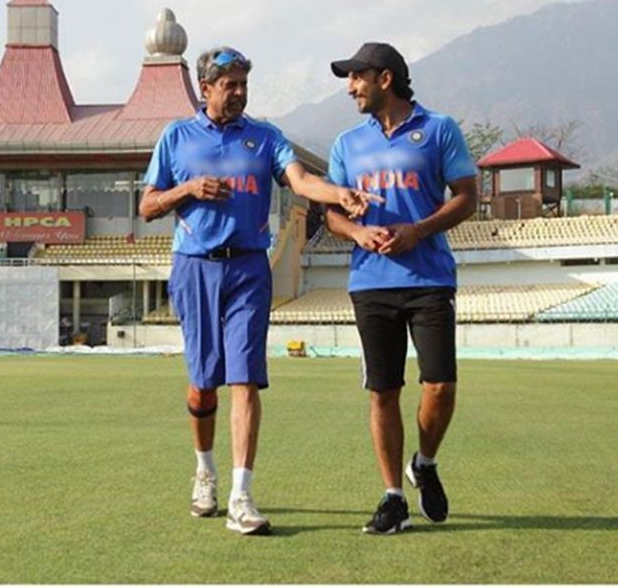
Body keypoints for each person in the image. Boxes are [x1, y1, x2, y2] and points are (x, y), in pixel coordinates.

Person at [139, 46, 380, 536]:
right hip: (195, 269)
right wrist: (187, 190)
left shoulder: (265, 138)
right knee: (203, 384)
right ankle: (204, 471)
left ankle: (241, 496)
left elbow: (300, 180)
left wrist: (338, 194)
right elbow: (147, 205)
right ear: (206, 89)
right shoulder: (176, 136)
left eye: (244, 83)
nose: (239, 92)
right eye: (230, 84)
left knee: (246, 379)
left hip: (249, 268)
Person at [324, 43, 477, 535]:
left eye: (356, 77)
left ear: (384, 79)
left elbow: (467, 198)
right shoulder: (347, 143)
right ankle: (393, 498)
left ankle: (425, 463)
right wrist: (358, 232)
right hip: (370, 282)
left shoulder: (439, 129)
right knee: (383, 393)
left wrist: (417, 231)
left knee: (440, 385)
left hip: (430, 278)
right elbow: (331, 213)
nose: (350, 88)